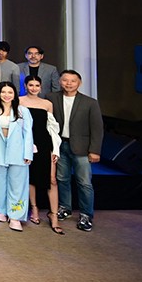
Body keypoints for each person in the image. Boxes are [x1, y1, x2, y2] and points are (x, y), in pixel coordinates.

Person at [50, 70, 103, 232]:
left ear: (79, 83)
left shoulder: (90, 102)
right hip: (60, 145)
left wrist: (95, 150)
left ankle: (86, 215)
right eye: (65, 80)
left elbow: (97, 128)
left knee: (84, 182)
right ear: (60, 82)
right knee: (62, 179)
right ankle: (65, 208)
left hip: (82, 148)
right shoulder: (51, 98)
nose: (69, 83)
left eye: (73, 81)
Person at [20, 75, 64, 234]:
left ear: (41, 87)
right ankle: (34, 209)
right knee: (30, 178)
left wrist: (55, 150)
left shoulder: (47, 104)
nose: (34, 88)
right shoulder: (19, 101)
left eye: (37, 85)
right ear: (25, 86)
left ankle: (54, 215)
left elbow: (52, 128)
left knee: (52, 179)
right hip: (27, 144)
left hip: (45, 143)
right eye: (30, 85)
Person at [0, 81, 34, 232]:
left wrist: (28, 153)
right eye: (3, 92)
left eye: (10, 92)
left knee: (18, 186)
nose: (6, 95)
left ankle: (15, 216)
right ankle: (0, 211)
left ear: (15, 94)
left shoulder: (23, 111)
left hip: (18, 153)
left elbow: (28, 133)